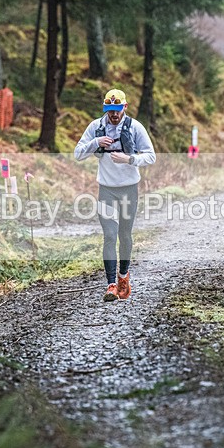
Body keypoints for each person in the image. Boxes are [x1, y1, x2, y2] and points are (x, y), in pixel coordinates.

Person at [74, 89, 156, 301]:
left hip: (129, 188)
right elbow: (77, 154)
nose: (114, 114)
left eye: (117, 109)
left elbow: (151, 156)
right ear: (105, 109)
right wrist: (96, 143)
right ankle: (111, 285)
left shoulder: (135, 127)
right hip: (106, 189)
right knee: (110, 235)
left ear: (125, 108)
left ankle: (123, 277)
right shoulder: (96, 127)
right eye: (110, 110)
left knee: (124, 235)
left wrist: (130, 159)